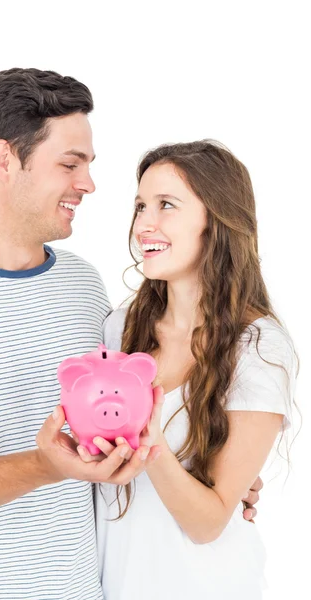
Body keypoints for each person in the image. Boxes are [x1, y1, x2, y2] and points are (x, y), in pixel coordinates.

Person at [0, 68, 260, 599]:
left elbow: (125, 417)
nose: (90, 184)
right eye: (70, 164)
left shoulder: (82, 285)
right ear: (4, 160)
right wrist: (42, 466)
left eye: (90, 166)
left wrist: (224, 475)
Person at [85, 141, 297, 600]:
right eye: (140, 206)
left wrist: (152, 443)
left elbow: (208, 523)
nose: (145, 224)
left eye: (167, 205)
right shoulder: (119, 328)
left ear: (215, 221)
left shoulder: (258, 348)